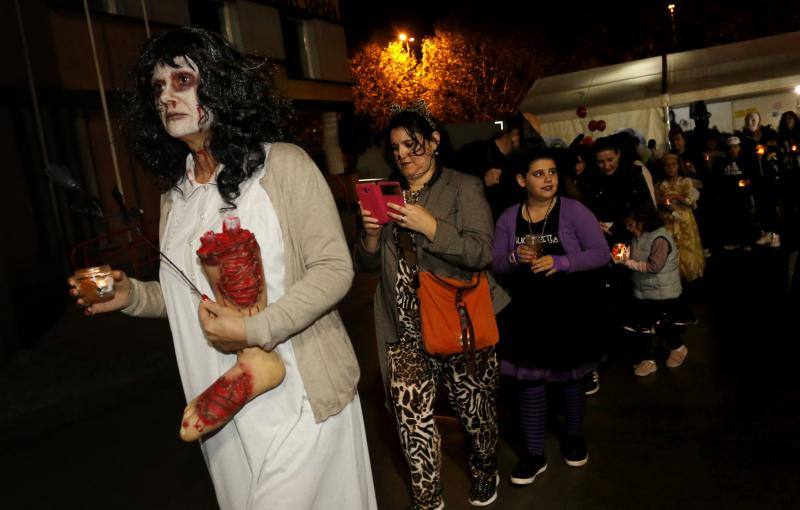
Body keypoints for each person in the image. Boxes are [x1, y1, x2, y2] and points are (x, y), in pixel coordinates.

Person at [69, 27, 376, 510]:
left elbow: (334, 267)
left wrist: (255, 328)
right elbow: (191, 294)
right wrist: (134, 296)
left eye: (182, 80)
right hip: (221, 403)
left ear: (220, 86)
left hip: (299, 395)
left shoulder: (283, 165)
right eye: (158, 87)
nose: (165, 96)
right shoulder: (177, 195)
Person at [355, 102, 508, 509]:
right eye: (396, 148)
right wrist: (371, 236)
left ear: (435, 141)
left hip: (458, 321)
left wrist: (432, 227)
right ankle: (427, 498)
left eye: (412, 145)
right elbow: (366, 263)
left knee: (475, 413)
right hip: (404, 330)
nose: (403, 155)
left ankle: (485, 467)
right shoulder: (388, 193)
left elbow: (481, 251)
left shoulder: (463, 186)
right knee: (412, 421)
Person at [491, 149, 609, 485]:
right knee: (529, 381)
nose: (548, 179)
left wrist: (563, 262)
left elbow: (601, 253)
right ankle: (533, 454)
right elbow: (496, 264)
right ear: (521, 180)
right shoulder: (508, 218)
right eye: (539, 173)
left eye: (552, 172)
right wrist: (514, 256)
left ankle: (573, 437)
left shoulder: (573, 210)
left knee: (570, 377)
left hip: (568, 310)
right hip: (525, 313)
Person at [617, 206, 691, 377]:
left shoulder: (660, 238)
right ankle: (648, 360)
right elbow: (633, 256)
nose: (628, 228)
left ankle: (678, 348)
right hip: (643, 290)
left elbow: (654, 267)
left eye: (630, 224)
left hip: (663, 292)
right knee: (643, 327)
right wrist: (621, 256)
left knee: (664, 325)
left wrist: (627, 262)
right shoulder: (638, 236)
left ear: (643, 221)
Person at [452, 114, 524, 220]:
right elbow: (454, 183)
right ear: (514, 134)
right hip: (481, 222)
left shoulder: (520, 161)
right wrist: (482, 180)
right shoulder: (476, 150)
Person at [656, 154, 705, 282]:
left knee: (687, 246)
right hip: (668, 219)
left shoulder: (686, 182)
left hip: (684, 219)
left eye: (673, 165)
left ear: (678, 166)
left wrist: (677, 197)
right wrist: (663, 202)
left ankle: (689, 271)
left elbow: (690, 201)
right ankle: (673, 274)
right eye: (667, 166)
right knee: (671, 246)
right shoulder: (661, 185)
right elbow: (657, 202)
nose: (670, 168)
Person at [714, 136, 758, 250]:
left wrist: (747, 182)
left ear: (739, 148)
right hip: (729, 195)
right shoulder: (722, 162)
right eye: (730, 147)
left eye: (735, 147)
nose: (733, 150)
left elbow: (751, 176)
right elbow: (719, 178)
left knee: (745, 218)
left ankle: (746, 242)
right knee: (731, 219)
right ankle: (734, 241)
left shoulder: (745, 161)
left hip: (742, 195)